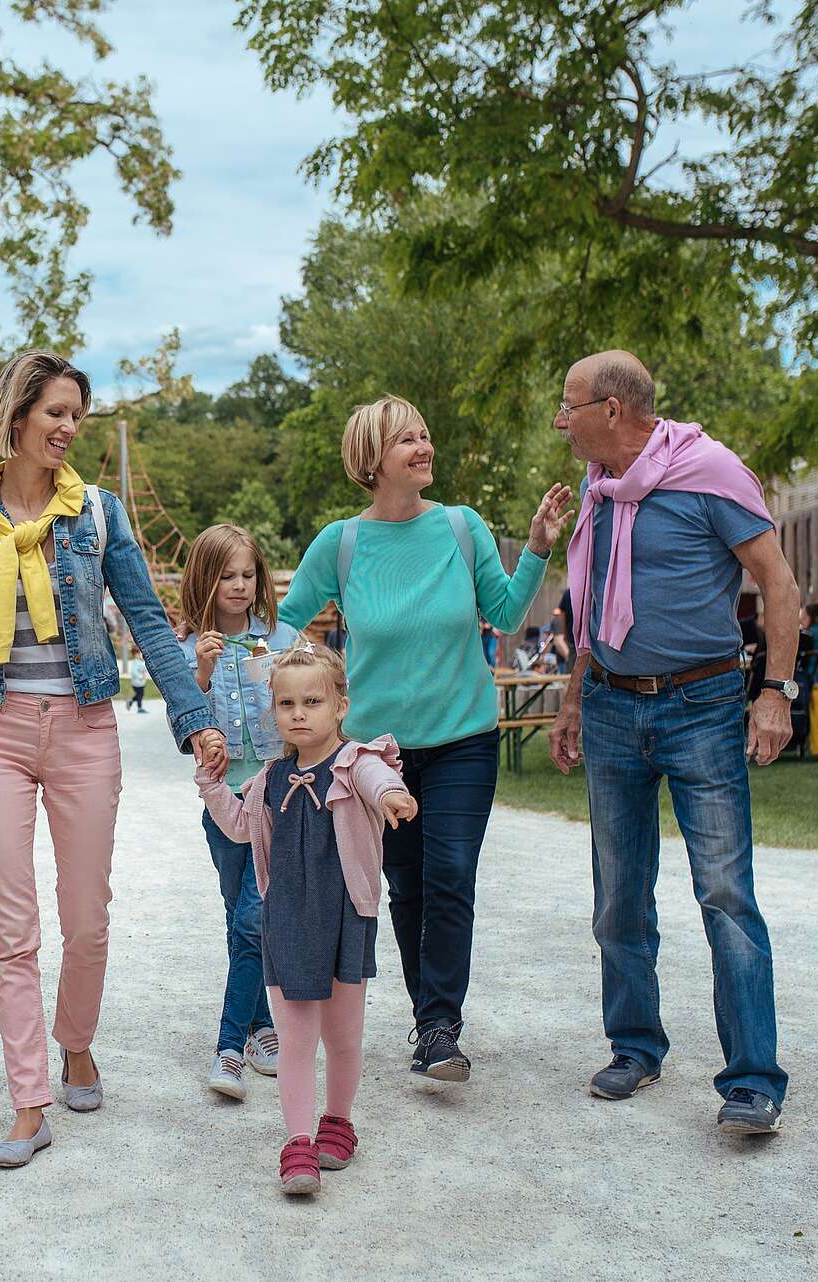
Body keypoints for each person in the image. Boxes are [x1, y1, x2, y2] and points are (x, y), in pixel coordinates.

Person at [0, 349, 224, 1168]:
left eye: (76, 415)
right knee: (14, 929)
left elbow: (149, 620)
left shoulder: (100, 516)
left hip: (85, 728)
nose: (69, 428)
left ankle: (76, 1040)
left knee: (86, 919)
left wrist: (194, 717)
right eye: (55, 412)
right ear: (15, 418)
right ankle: (29, 1100)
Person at [280, 395, 571, 1084]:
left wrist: (535, 548)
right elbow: (284, 629)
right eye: (406, 439)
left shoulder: (462, 528)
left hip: (464, 739)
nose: (423, 446)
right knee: (405, 886)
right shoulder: (342, 544)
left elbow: (503, 612)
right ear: (371, 459)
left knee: (449, 876)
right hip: (378, 756)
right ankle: (430, 1024)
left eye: (425, 434)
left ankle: (441, 1024)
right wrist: (308, 695)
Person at [546, 350, 799, 1138]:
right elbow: (594, 600)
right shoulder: (602, 488)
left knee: (724, 893)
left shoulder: (712, 472)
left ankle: (753, 1079)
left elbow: (780, 587)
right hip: (614, 706)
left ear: (612, 410)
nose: (562, 420)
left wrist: (775, 694)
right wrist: (574, 696)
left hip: (704, 704)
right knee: (618, 894)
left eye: (570, 405)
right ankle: (634, 1046)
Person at [197, 644, 416, 1195]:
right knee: (295, 1037)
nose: (299, 713)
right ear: (274, 710)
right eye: (287, 703)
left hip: (346, 916)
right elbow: (240, 827)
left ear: (340, 705)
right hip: (288, 919)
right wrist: (211, 784)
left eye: (313, 701)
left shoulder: (356, 761)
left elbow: (377, 781)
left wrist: (394, 796)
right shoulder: (270, 777)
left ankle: (337, 1121)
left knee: (343, 1035)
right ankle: (297, 1143)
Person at [176, 523, 303, 1101]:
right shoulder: (185, 650)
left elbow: (312, 703)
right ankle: (258, 1026)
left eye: (248, 574)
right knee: (240, 918)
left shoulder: (280, 639)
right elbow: (178, 730)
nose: (240, 584)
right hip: (224, 806)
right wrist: (199, 675)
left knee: (255, 916)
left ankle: (233, 1044)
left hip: (276, 799)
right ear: (204, 578)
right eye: (227, 575)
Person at [126, 647, 149, 712]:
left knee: (140, 695)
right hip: (137, 682)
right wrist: (140, 676)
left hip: (141, 682)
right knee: (140, 695)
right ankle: (139, 708)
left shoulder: (140, 661)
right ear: (135, 654)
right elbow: (134, 671)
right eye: (139, 654)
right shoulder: (135, 662)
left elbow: (144, 668)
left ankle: (130, 701)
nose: (140, 655)